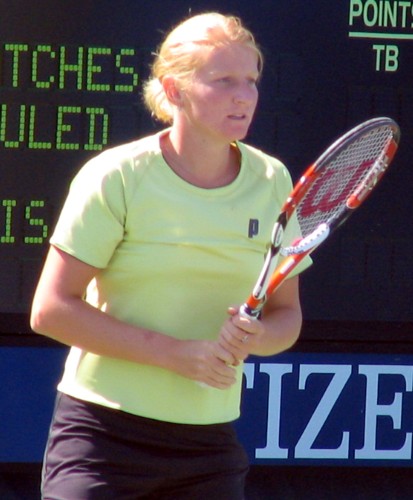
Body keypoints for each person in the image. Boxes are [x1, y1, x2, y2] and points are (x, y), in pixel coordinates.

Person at [31, 11, 311, 500]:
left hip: (210, 449)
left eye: (250, 80)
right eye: (223, 80)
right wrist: (176, 355)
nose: (244, 95)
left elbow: (288, 317)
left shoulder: (274, 182)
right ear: (174, 89)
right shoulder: (115, 176)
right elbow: (51, 310)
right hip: (101, 438)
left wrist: (258, 337)